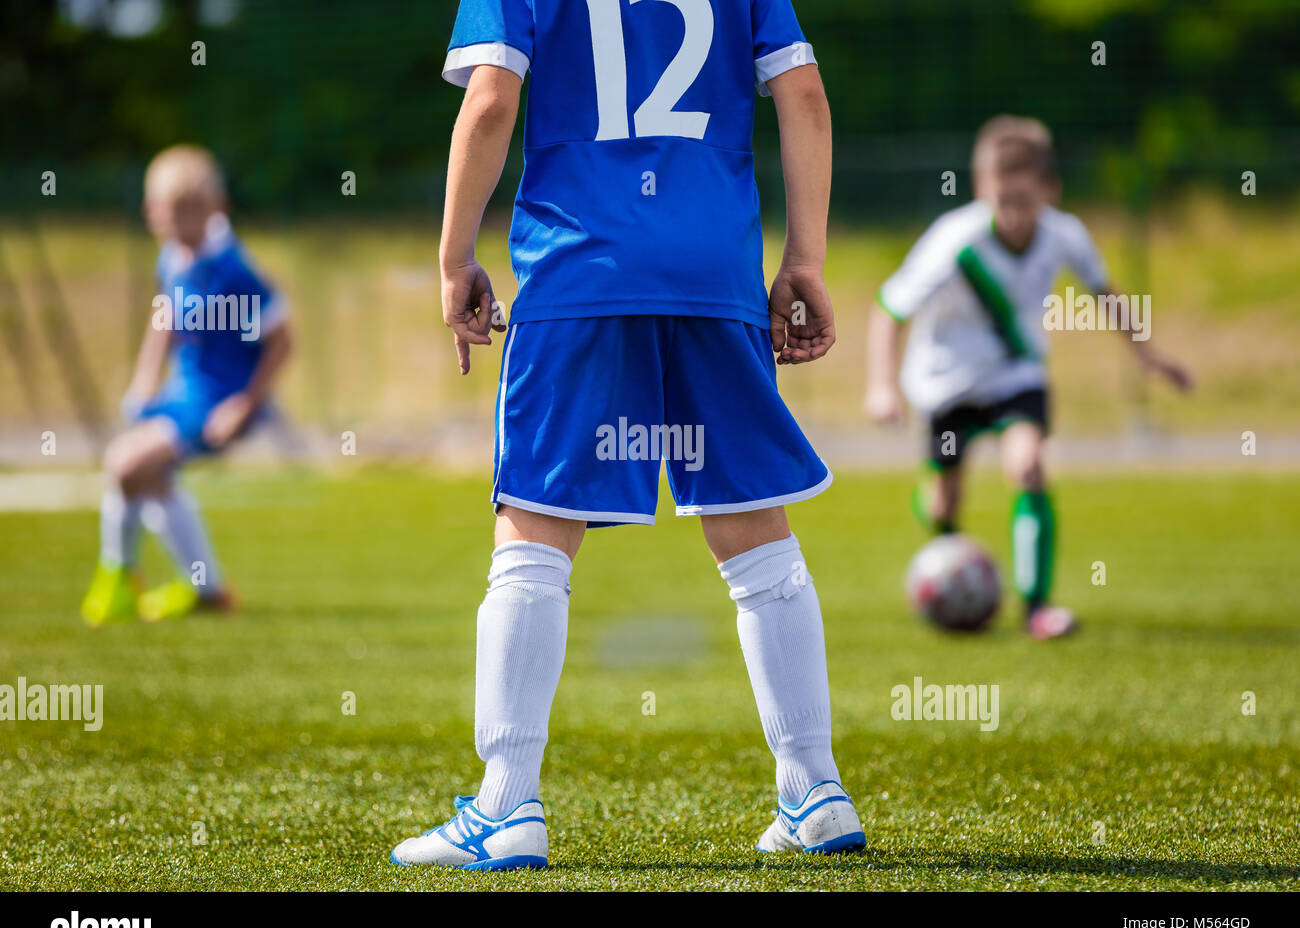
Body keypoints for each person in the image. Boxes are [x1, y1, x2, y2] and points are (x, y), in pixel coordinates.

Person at [390, 0, 863, 870]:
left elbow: (492, 101)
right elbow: (804, 97)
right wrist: (805, 259)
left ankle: (507, 802)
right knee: (755, 530)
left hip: (582, 269)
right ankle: (813, 784)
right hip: (712, 269)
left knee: (534, 530)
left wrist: (455, 258)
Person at [865, 116, 1192, 639]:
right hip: (945, 382)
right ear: (981, 190)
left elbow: (1106, 295)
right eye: (1003, 200)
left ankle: (1037, 608)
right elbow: (888, 309)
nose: (1015, 214)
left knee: (1029, 465)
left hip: (1016, 376)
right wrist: (880, 386)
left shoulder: (1066, 234)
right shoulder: (954, 241)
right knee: (944, 501)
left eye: (1026, 200)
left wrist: (1150, 356)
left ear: (1049, 191)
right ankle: (946, 545)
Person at [80, 145, 293, 625]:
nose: (180, 221)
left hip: (217, 401)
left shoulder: (233, 271)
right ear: (150, 213)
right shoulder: (172, 258)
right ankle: (207, 590)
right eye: (169, 211)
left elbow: (283, 341)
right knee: (147, 477)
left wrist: (245, 403)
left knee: (124, 464)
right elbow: (165, 316)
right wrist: (144, 379)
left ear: (217, 207)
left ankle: (118, 576)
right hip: (182, 393)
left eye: (192, 209)